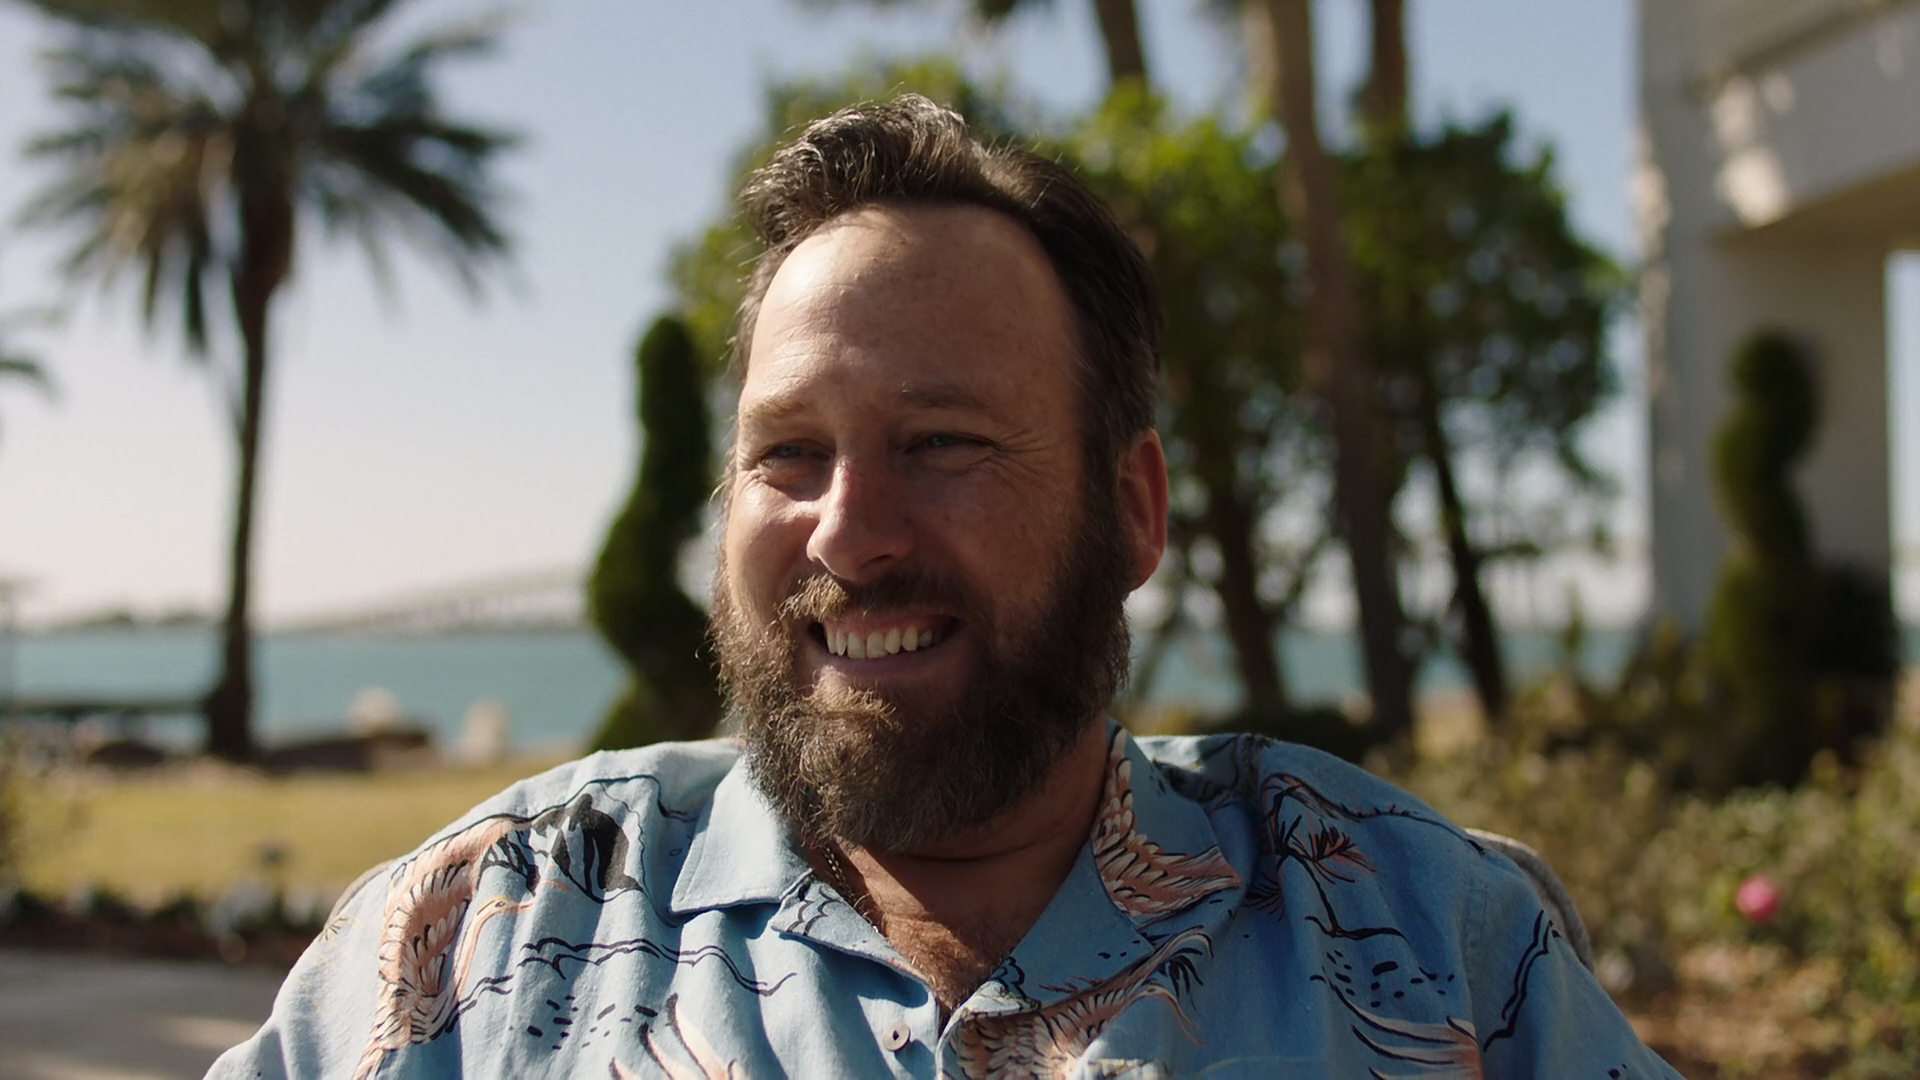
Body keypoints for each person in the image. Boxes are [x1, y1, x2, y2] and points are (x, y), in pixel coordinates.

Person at [212, 95, 1679, 1079]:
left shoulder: (1424, 933)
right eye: (788, 456)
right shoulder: (500, 921)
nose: (850, 536)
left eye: (943, 443)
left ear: (1133, 509)